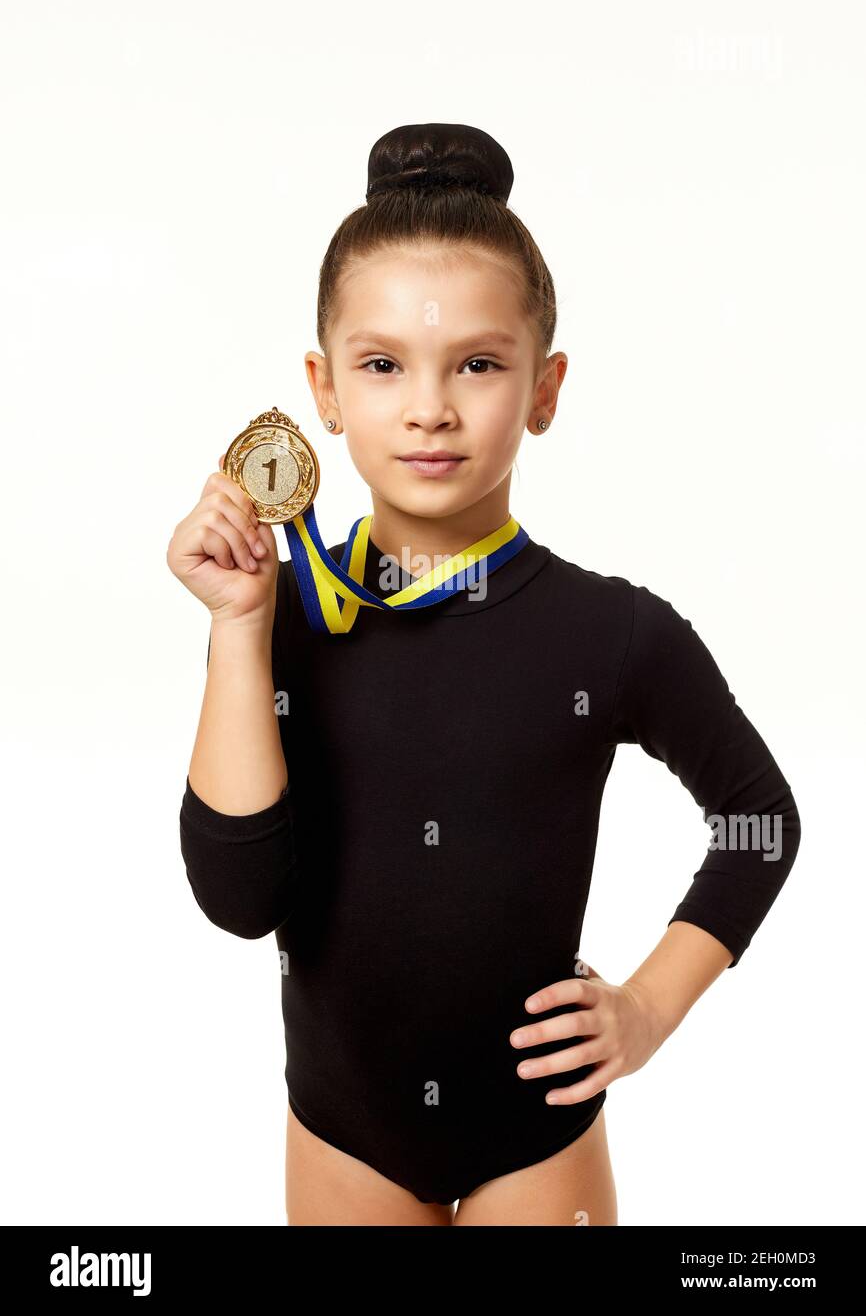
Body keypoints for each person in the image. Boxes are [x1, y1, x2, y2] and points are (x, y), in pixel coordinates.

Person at [166, 122, 801, 1227]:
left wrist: (647, 1008)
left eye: (477, 363)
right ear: (320, 389)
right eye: (381, 364)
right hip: (344, 1136)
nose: (429, 407)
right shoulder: (282, 613)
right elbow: (238, 900)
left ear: (543, 388)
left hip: (535, 1142)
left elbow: (757, 817)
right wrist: (236, 628)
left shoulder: (613, 634)